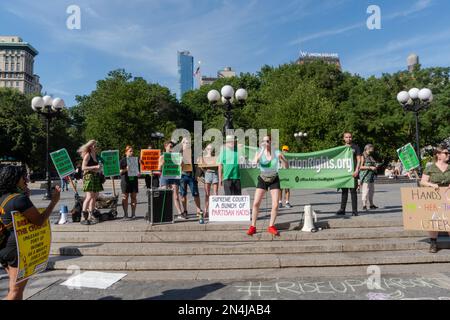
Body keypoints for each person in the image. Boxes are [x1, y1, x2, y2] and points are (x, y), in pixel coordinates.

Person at [0, 165, 61, 300]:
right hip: (16, 250)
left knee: (16, 288)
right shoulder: (19, 199)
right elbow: (39, 221)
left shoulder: (4, 197)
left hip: (3, 247)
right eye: (23, 177)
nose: (26, 180)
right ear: (15, 179)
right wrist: (53, 203)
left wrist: (25, 194)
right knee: (15, 291)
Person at [247, 135, 288, 237]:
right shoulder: (259, 152)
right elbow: (253, 164)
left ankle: (271, 226)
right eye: (264, 141)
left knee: (275, 205)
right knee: (256, 203)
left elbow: (286, 167)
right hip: (263, 178)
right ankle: (253, 226)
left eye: (268, 141)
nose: (266, 143)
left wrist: (282, 159)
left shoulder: (277, 152)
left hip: (274, 178)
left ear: (271, 142)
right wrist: (260, 153)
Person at [420, 144, 450, 253]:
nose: (448, 155)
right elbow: (423, 182)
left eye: (448, 153)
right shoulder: (430, 168)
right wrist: (432, 185)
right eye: (446, 153)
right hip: (434, 197)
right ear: (438, 155)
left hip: (448, 196)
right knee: (434, 220)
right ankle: (433, 243)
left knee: (449, 219)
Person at [336, 132, 362, 217]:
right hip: (344, 173)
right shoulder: (341, 148)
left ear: (352, 138)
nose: (348, 139)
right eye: (346, 137)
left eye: (350, 137)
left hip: (353, 173)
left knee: (353, 192)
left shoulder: (356, 147)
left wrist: (357, 170)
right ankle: (342, 209)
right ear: (343, 138)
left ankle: (354, 211)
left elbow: (359, 159)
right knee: (344, 192)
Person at [79, 140, 103, 225]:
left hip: (95, 176)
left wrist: (99, 169)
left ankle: (91, 215)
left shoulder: (96, 156)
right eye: (94, 146)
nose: (96, 147)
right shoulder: (87, 155)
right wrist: (95, 166)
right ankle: (83, 217)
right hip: (88, 177)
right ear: (90, 147)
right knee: (89, 197)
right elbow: (83, 167)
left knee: (95, 196)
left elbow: (96, 168)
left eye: (96, 146)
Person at [179, 138, 204, 219]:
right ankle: (185, 211)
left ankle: (198, 210)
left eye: (188, 143)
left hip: (192, 176)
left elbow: (198, 165)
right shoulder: (178, 154)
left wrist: (198, 175)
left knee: (195, 193)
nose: (187, 144)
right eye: (185, 143)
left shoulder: (193, 153)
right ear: (182, 144)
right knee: (183, 194)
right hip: (182, 176)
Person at [159, 141, 183, 218]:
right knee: (164, 195)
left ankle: (180, 213)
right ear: (165, 147)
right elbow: (159, 168)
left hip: (174, 176)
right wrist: (162, 164)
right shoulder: (162, 156)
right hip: (165, 176)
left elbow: (182, 166)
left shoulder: (176, 156)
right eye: (170, 146)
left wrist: (181, 163)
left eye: (172, 146)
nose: (171, 148)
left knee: (176, 196)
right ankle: (164, 213)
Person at [198, 144, 219, 217]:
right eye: (208, 148)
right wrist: (204, 170)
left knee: (215, 193)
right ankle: (206, 211)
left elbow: (219, 166)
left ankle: (215, 211)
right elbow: (200, 166)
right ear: (206, 149)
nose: (210, 150)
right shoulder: (203, 157)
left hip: (215, 174)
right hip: (207, 174)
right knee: (207, 194)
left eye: (211, 148)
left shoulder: (215, 157)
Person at [120, 145, 139, 220]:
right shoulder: (123, 160)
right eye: (130, 151)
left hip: (134, 181)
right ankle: (125, 214)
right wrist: (126, 169)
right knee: (125, 197)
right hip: (125, 181)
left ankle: (133, 214)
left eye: (132, 151)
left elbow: (138, 170)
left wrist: (139, 173)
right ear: (126, 152)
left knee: (133, 197)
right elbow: (120, 172)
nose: (132, 152)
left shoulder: (135, 160)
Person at [359, 144, 379, 211]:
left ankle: (371, 204)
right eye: (372, 148)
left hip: (371, 176)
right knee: (365, 190)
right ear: (367, 148)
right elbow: (360, 167)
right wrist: (370, 167)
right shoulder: (363, 156)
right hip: (365, 176)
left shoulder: (370, 156)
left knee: (371, 191)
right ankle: (364, 205)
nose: (373, 149)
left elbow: (373, 163)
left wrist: (376, 165)